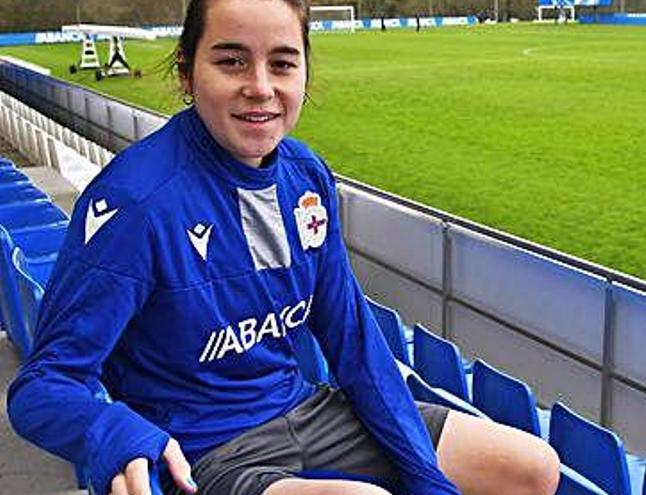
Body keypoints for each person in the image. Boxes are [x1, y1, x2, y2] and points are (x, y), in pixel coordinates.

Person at [7, 1, 561, 495]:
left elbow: (353, 340)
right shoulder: (136, 202)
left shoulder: (306, 176)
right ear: (185, 71)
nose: (261, 86)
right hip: (206, 455)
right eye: (231, 61)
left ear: (303, 73)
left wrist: (425, 474)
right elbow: (40, 388)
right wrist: (114, 431)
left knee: (532, 467)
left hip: (307, 411)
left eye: (282, 62)